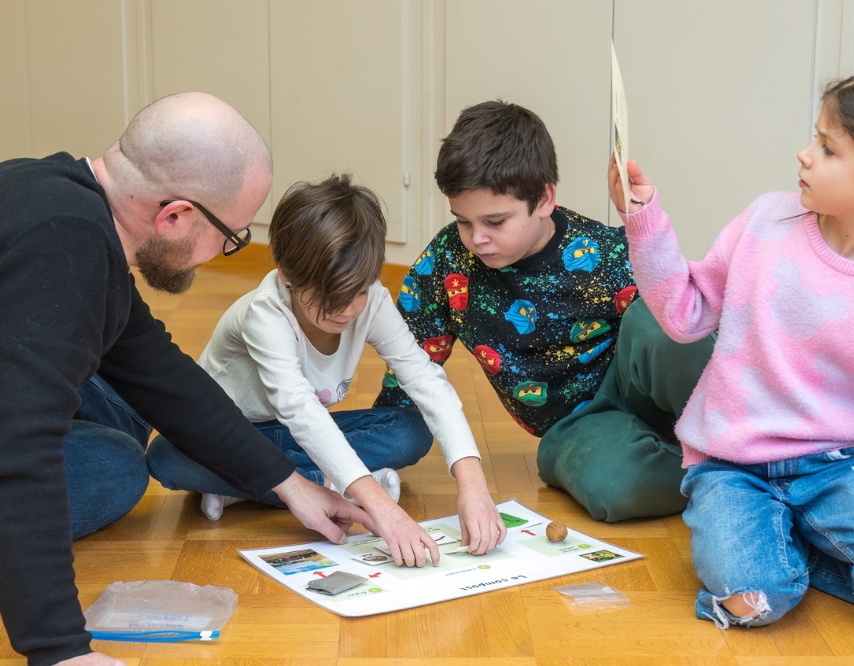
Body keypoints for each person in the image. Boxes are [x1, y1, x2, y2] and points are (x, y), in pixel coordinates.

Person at [611, 67, 854, 648]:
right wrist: (644, 222)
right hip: (729, 467)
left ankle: (801, 541)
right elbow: (684, 314)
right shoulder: (767, 221)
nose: (804, 154)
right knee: (752, 601)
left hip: (841, 471)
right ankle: (789, 549)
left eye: (827, 147)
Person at [0, 93, 374, 666]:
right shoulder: (68, 244)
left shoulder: (58, 199)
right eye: (231, 237)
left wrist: (289, 484)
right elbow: (19, 448)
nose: (223, 255)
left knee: (125, 403)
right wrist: (59, 652)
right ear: (174, 215)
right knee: (118, 466)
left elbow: (165, 379)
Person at [373, 100, 714, 522]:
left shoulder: (603, 253)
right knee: (615, 485)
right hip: (578, 428)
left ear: (545, 199)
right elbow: (409, 362)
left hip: (640, 384)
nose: (477, 238)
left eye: (495, 222)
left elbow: (694, 314)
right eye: (463, 221)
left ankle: (746, 453)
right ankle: (724, 478)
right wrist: (375, 451)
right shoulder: (447, 263)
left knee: (662, 318)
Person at [147, 173, 505, 566]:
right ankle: (317, 484)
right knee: (167, 458)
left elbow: (423, 378)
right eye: (331, 298)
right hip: (232, 437)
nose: (350, 310)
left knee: (412, 430)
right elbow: (299, 408)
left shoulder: (372, 302)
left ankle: (254, 487)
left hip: (301, 434)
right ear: (287, 274)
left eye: (361, 291)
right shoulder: (265, 312)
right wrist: (380, 506)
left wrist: (472, 483)